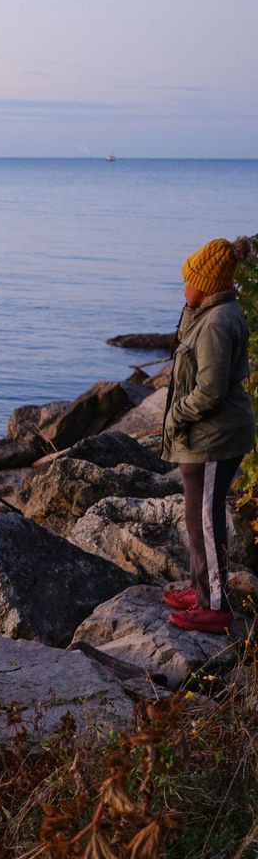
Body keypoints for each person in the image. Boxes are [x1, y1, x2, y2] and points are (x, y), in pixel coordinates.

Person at [160, 236, 255, 633]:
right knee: (195, 514)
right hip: (201, 437)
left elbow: (211, 390)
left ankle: (216, 606)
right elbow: (183, 343)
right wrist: (190, 304)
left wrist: (176, 417)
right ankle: (201, 589)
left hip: (215, 436)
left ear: (207, 283)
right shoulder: (207, 313)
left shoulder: (217, 322)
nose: (183, 286)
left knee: (207, 518)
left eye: (189, 280)